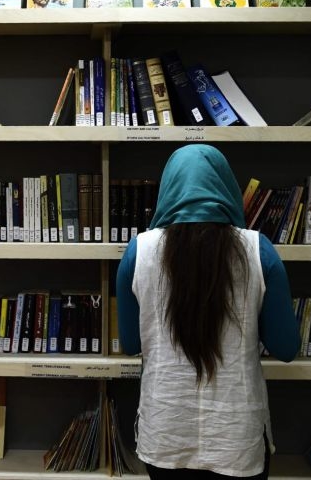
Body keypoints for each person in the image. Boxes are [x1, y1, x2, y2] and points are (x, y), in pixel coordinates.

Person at [116, 144, 300, 479]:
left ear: (168, 189)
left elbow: (130, 344)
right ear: (228, 188)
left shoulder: (138, 251)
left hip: (166, 433)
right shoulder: (259, 250)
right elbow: (286, 348)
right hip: (236, 438)